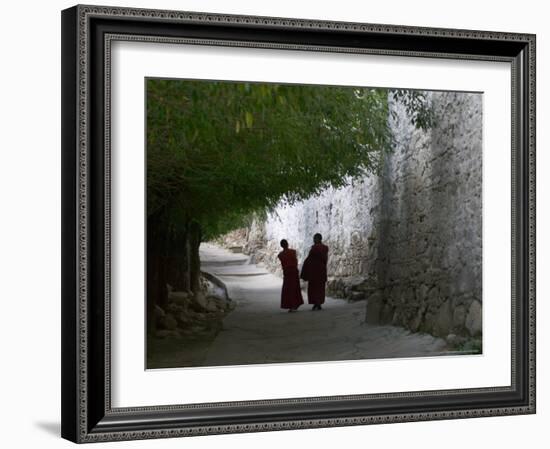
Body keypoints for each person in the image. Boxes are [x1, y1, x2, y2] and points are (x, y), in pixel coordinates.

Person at [300, 233, 329, 311]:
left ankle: (316, 303)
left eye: (314, 238)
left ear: (318, 239)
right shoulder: (325, 248)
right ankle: (318, 303)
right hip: (322, 270)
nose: (313, 240)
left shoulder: (315, 248)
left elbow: (309, 259)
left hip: (314, 271)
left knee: (313, 288)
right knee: (320, 288)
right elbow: (325, 259)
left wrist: (305, 271)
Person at [277, 239, 304, 312]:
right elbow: (295, 261)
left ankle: (291, 305)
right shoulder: (293, 252)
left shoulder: (280, 255)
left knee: (288, 289)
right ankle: (295, 304)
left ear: (281, 246)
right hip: (294, 272)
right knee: (295, 288)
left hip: (287, 273)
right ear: (287, 244)